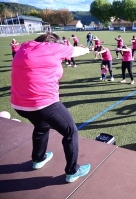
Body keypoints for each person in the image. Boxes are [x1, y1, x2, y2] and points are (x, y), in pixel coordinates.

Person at [10, 32, 91, 183]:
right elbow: (79, 51)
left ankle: (38, 159)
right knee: (70, 132)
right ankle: (72, 171)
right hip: (44, 104)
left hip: (18, 105)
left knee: (41, 126)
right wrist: (86, 49)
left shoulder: (24, 48)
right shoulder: (52, 48)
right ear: (55, 43)